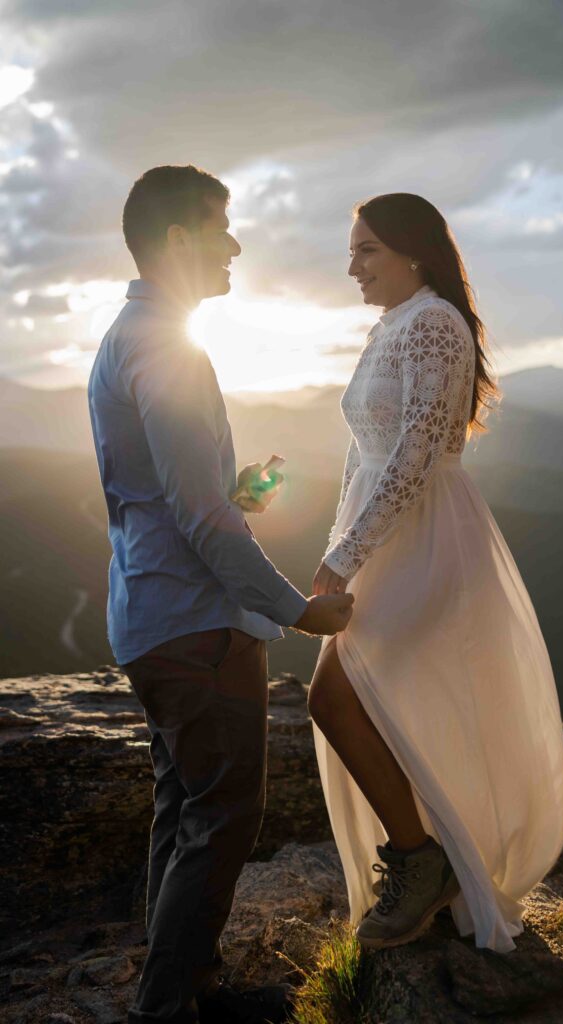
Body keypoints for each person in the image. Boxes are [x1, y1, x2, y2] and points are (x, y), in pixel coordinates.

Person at [87, 164, 354, 1024]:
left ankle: (181, 990)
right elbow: (200, 523)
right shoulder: (166, 343)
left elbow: (171, 499)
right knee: (223, 814)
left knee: (186, 809)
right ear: (176, 241)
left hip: (149, 614)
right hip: (195, 626)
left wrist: (231, 493)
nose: (235, 243)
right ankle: (168, 1005)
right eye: (220, 225)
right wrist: (297, 609)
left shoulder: (126, 336)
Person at [308, 192, 563, 955]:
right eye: (352, 251)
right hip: (382, 539)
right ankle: (432, 855)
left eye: (366, 251)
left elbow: (418, 452)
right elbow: (363, 456)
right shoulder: (389, 325)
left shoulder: (433, 323)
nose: (351, 266)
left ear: (412, 253)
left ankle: (420, 858)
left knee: (335, 697)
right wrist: (338, 543)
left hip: (425, 539)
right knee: (380, 699)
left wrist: (348, 554)